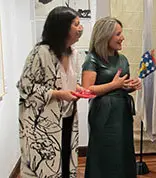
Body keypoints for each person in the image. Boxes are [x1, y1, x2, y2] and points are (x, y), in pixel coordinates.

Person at [17, 6, 84, 178]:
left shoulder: (75, 54)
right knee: (47, 166)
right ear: (62, 28)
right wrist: (56, 94)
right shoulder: (40, 53)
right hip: (43, 124)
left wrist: (78, 89)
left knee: (66, 160)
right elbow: (25, 87)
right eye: (76, 24)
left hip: (68, 117)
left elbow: (70, 82)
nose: (80, 28)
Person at [82, 17, 141, 178]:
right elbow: (87, 90)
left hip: (122, 112)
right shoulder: (92, 59)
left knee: (123, 150)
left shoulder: (123, 59)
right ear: (105, 36)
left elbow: (123, 85)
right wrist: (113, 85)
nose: (122, 37)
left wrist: (131, 86)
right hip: (103, 114)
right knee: (105, 151)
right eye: (118, 34)